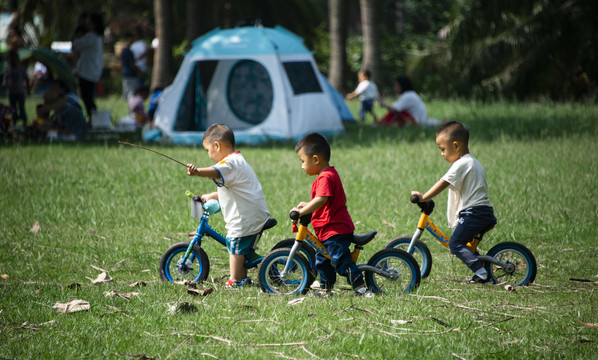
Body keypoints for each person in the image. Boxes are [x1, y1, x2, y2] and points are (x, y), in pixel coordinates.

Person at [186, 124, 271, 288]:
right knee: (242, 248)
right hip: (254, 214)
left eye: (207, 149)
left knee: (234, 244)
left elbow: (215, 171)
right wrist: (211, 196)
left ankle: (235, 280)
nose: (208, 154)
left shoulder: (229, 164)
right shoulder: (237, 161)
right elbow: (234, 190)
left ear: (217, 145)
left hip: (246, 219)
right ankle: (243, 277)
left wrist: (198, 172)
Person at [411, 121, 497, 284]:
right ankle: (479, 265)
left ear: (456, 145)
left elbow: (443, 183)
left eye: (442, 149)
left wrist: (424, 197)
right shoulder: (471, 162)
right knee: (465, 245)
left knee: (455, 244)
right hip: (480, 212)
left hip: (474, 213)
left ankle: (481, 273)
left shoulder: (462, 163)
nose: (442, 154)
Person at [290, 133, 373, 297]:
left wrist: (301, 211)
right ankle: (325, 289)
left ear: (315, 159)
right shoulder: (327, 174)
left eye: (302, 161)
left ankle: (361, 288)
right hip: (329, 230)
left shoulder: (325, 177)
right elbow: (324, 201)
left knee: (339, 260)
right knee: (322, 260)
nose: (301, 166)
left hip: (335, 230)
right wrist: (306, 205)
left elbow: (321, 199)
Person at [72, 12, 104, 123]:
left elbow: (76, 45)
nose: (86, 24)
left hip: (87, 72)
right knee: (88, 97)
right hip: (90, 71)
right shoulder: (95, 37)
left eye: (88, 22)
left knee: (87, 98)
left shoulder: (91, 37)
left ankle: (94, 120)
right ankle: (93, 119)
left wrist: (78, 34)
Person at [3, 49, 29, 129]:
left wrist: (28, 88)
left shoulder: (21, 68)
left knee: (21, 107)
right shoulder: (7, 69)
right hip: (11, 92)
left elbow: (26, 78)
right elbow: (5, 80)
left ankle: (24, 124)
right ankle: (14, 124)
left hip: (20, 91)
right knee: (13, 109)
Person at [121, 31, 144, 100]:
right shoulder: (128, 51)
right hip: (131, 75)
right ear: (129, 39)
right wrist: (139, 71)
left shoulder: (124, 51)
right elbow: (132, 64)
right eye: (132, 38)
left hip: (126, 74)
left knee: (127, 93)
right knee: (132, 94)